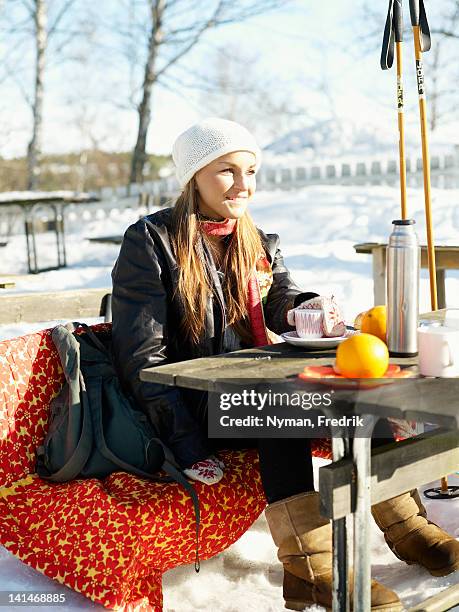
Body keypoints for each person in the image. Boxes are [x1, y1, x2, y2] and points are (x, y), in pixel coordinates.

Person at [111, 117, 459, 611]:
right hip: (188, 404)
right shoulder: (152, 242)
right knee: (279, 412)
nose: (243, 184)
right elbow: (142, 355)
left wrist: (307, 306)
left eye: (251, 171)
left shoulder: (256, 240)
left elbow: (281, 298)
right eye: (227, 170)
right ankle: (315, 571)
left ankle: (410, 531)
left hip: (246, 391)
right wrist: (185, 443)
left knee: (360, 396)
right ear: (194, 175)